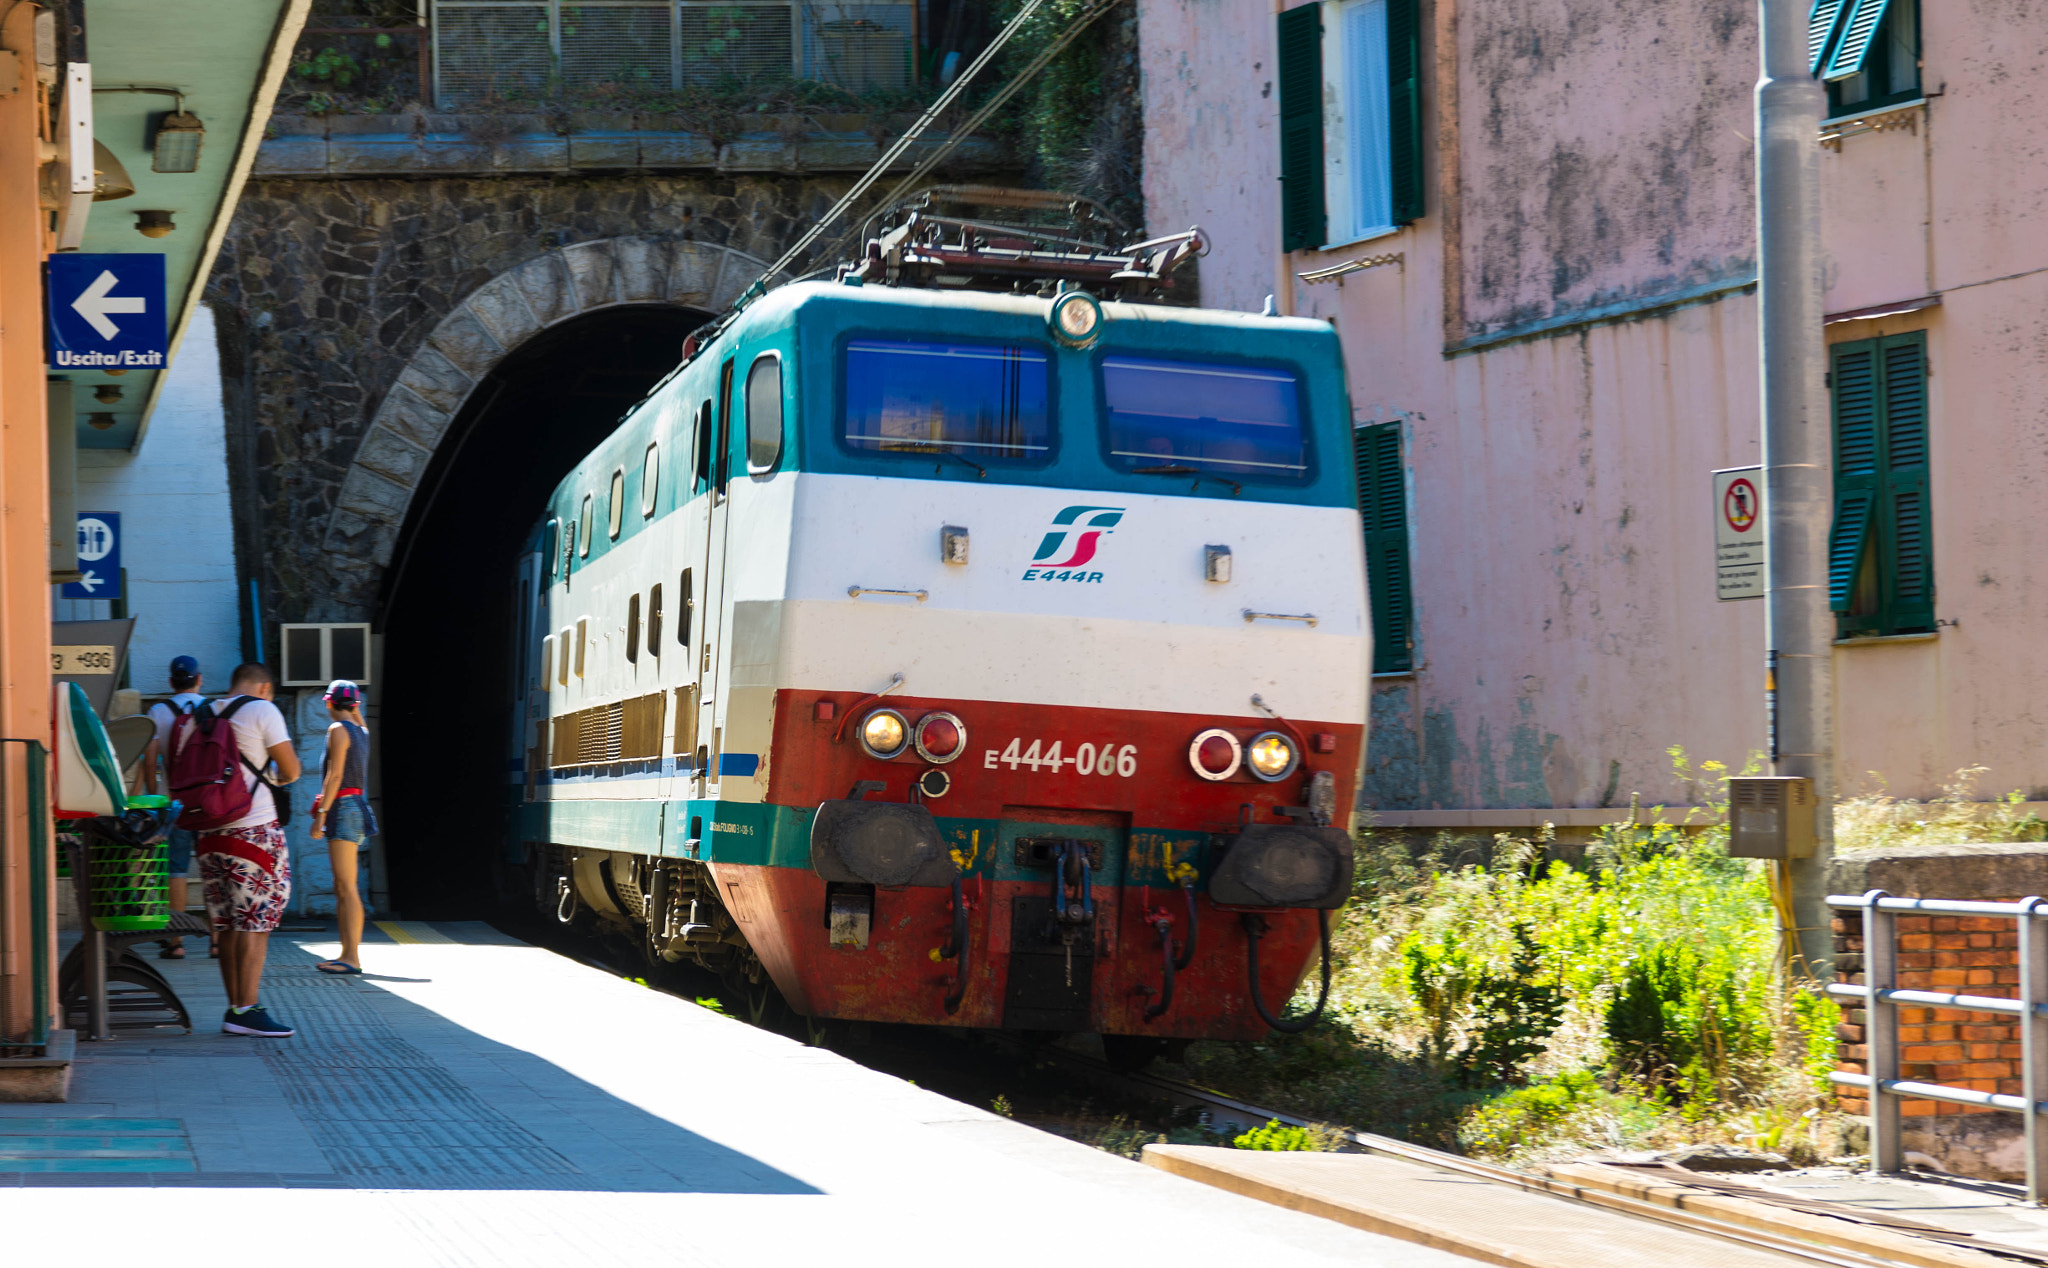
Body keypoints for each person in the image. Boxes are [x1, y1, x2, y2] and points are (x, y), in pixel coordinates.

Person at [184, 662, 301, 1038]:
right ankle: (247, 1009)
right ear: (264, 687)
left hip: (208, 834)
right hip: (253, 831)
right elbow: (292, 770)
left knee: (228, 922)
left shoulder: (200, 714)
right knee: (256, 920)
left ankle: (236, 1007)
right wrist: (277, 777)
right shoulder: (263, 710)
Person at [142, 656, 210, 960]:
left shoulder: (158, 711)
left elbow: (150, 759)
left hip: (174, 802)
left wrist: (154, 796)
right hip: (208, 804)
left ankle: (176, 941)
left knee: (176, 869)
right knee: (212, 870)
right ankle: (218, 941)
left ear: (171, 682)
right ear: (199, 679)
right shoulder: (213, 708)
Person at [309, 680, 376, 976]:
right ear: (355, 705)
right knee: (344, 886)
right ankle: (347, 954)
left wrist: (320, 816)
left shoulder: (337, 730)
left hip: (343, 807)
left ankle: (351, 958)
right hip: (357, 807)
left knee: (346, 888)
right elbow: (358, 719)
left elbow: (334, 776)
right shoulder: (362, 731)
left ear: (329, 703)